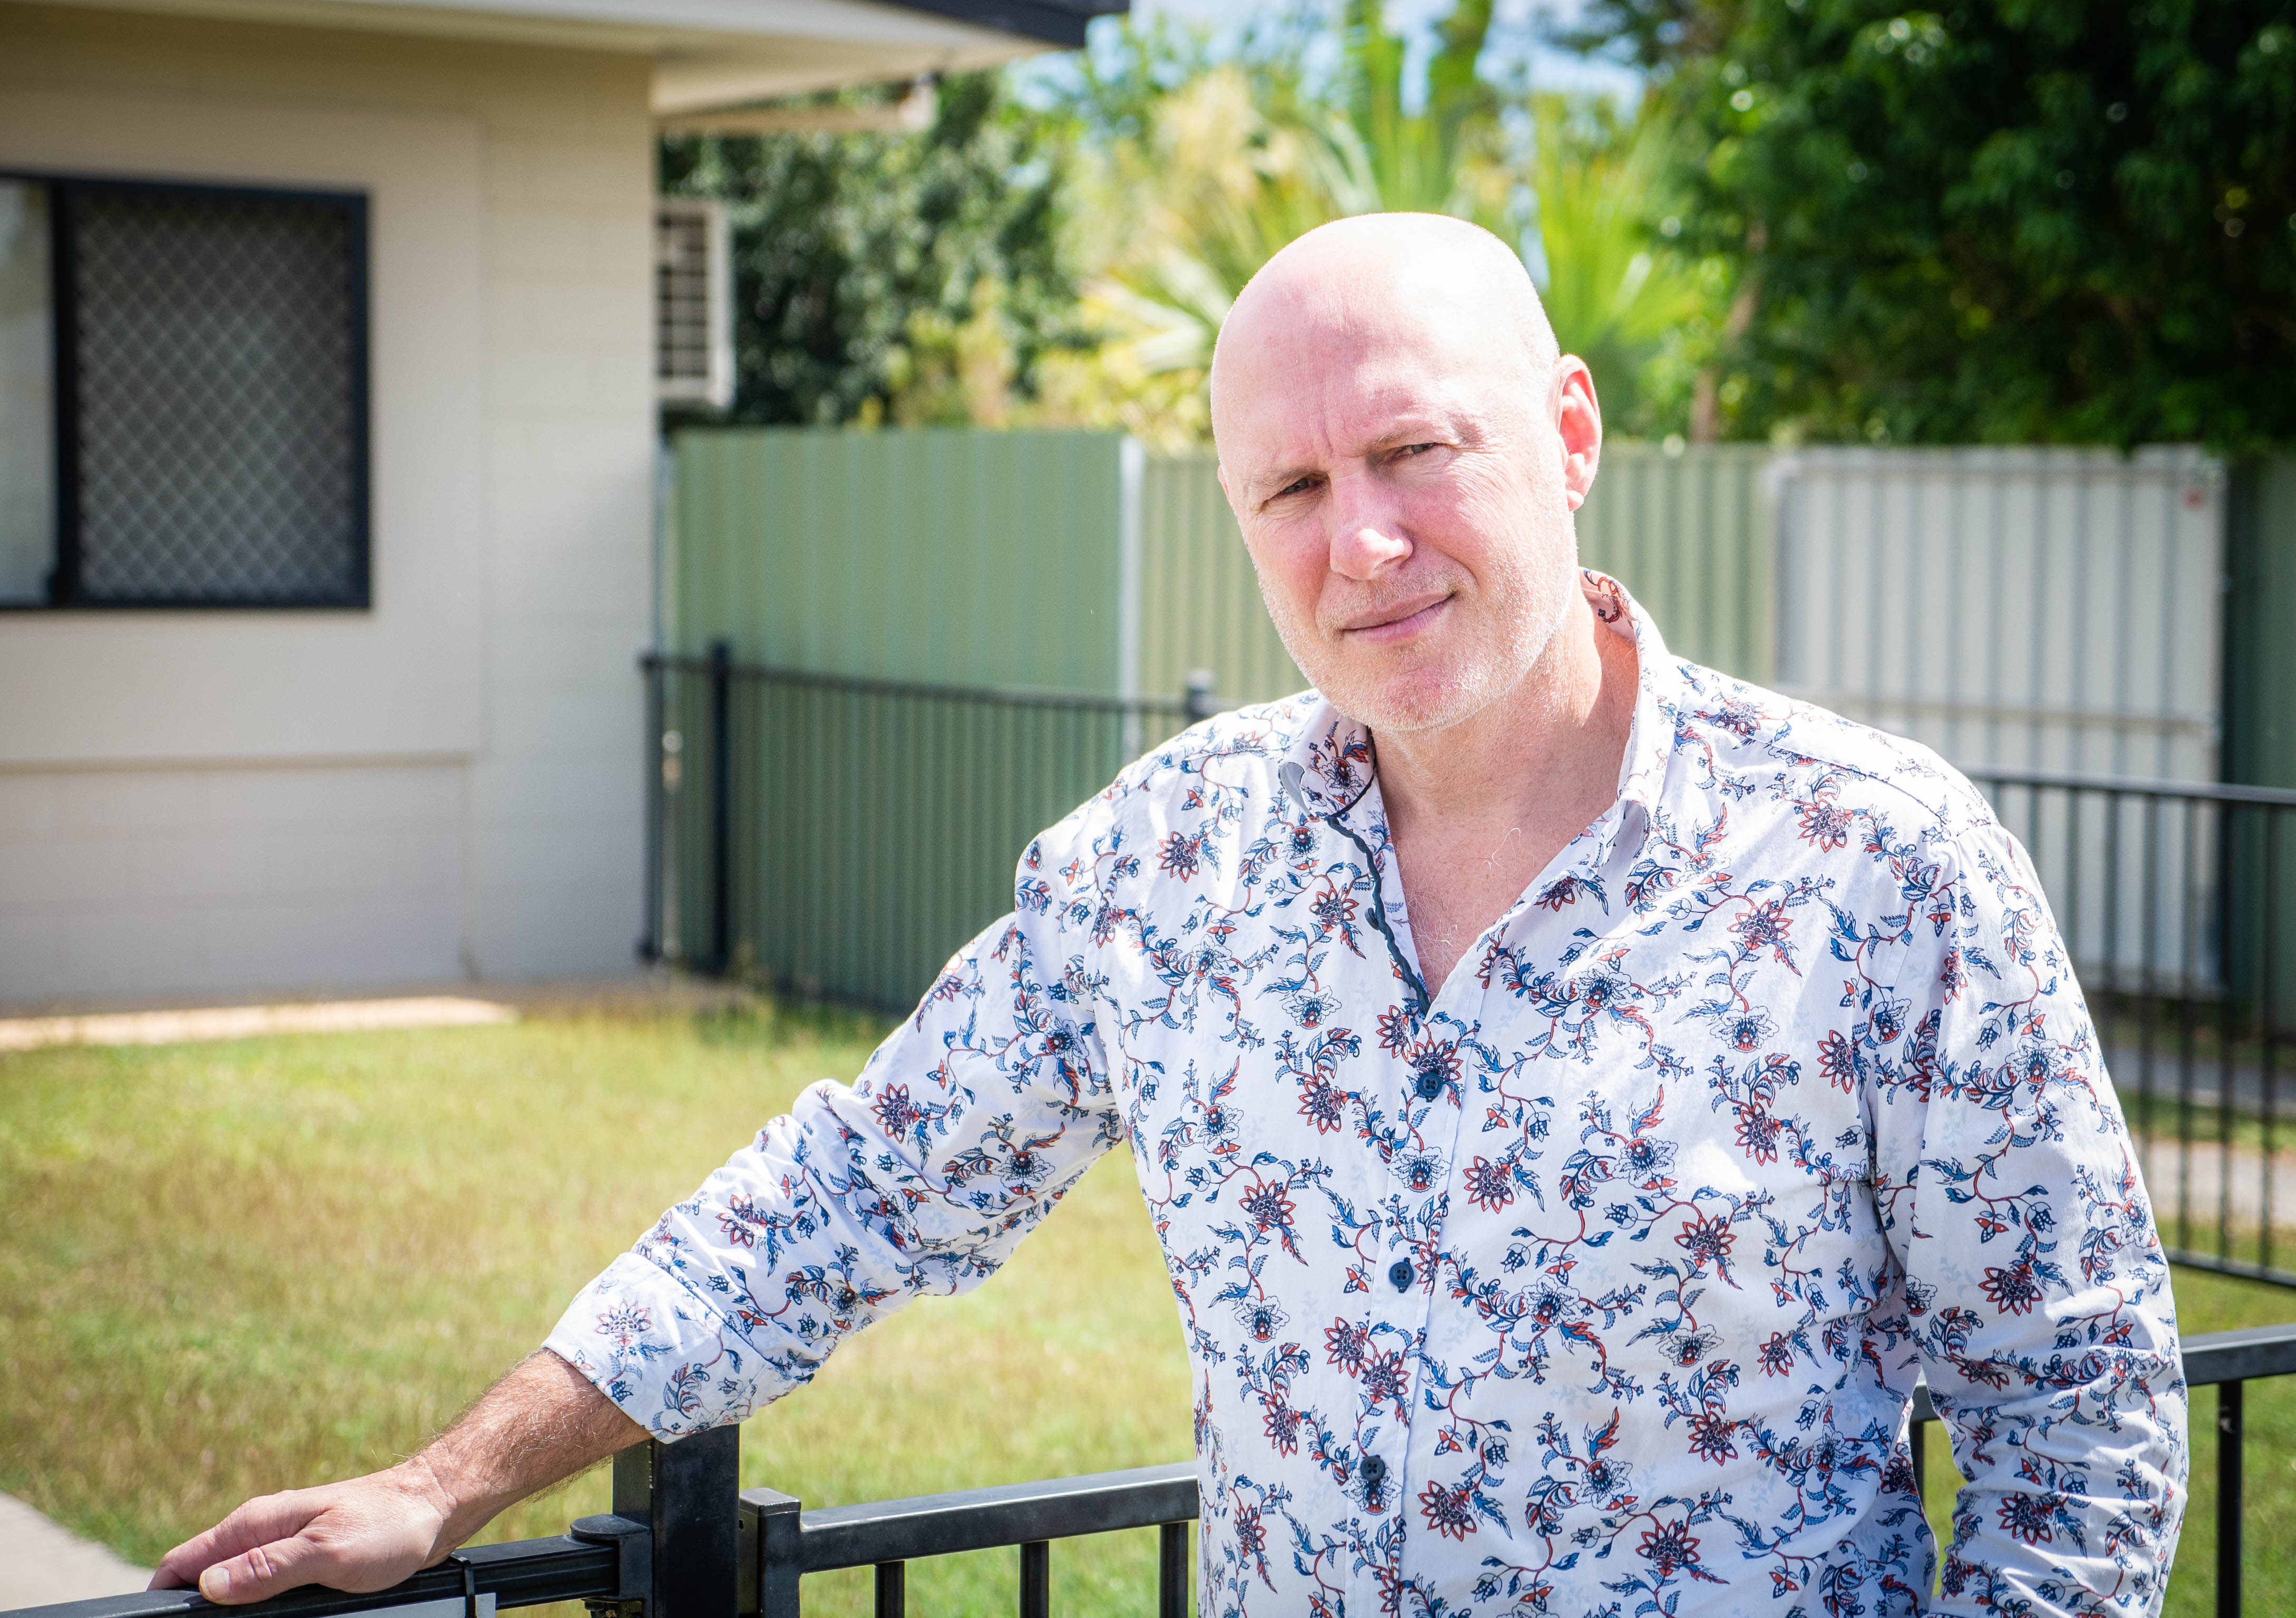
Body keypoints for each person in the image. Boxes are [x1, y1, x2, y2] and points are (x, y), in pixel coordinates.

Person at [153, 214, 2186, 1617]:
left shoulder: (1878, 863)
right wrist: (450, 1479)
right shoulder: (1164, 870)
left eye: (1412, 451)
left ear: (1568, 436)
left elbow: (2073, 1421)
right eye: (1288, 490)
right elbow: (855, 1189)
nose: (1360, 542)